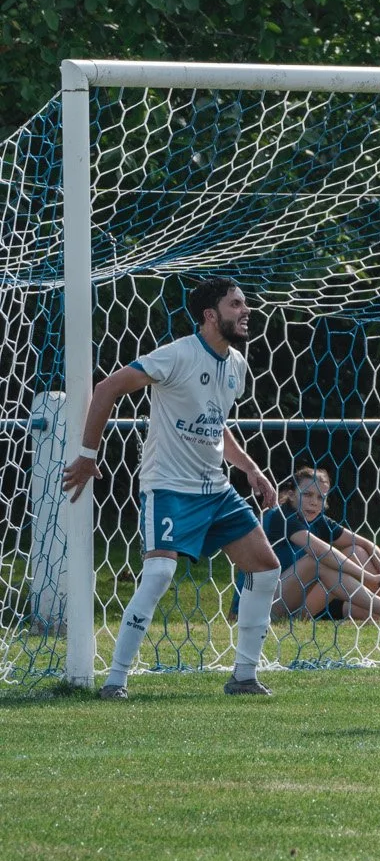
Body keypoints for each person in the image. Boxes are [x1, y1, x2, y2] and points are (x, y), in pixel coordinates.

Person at [62, 278, 281, 698]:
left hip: (216, 491)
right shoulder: (177, 355)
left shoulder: (235, 363)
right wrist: (88, 454)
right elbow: (108, 387)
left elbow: (216, 425)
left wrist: (251, 468)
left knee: (265, 567)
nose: (245, 311)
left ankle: (244, 677)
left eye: (245, 304)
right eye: (236, 304)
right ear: (210, 315)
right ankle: (115, 681)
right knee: (160, 571)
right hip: (169, 487)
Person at [246, 467, 380, 627]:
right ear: (292, 494)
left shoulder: (317, 520)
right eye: (307, 495)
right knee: (320, 563)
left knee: (358, 554)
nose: (314, 502)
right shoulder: (280, 516)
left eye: (320, 497)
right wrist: (369, 578)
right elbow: (321, 551)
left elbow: (365, 544)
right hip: (265, 606)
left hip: (305, 603)